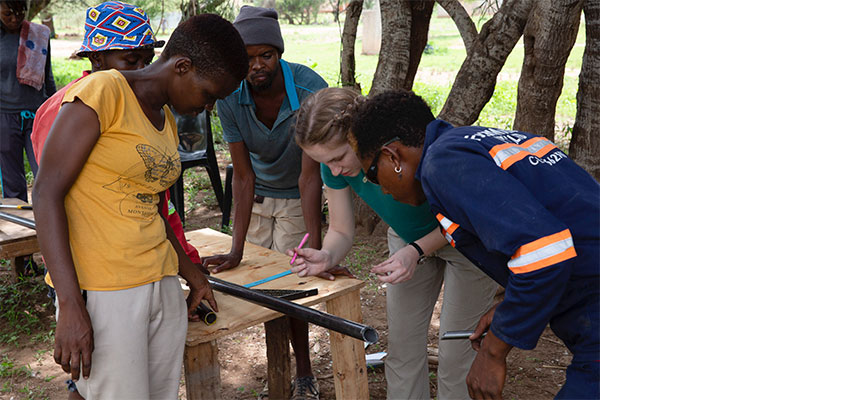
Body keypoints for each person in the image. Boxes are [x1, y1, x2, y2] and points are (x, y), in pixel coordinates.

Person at [32, 14, 247, 399]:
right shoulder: (102, 92)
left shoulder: (164, 115)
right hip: (107, 289)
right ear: (182, 67)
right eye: (209, 94)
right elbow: (46, 193)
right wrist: (69, 305)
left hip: (160, 280)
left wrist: (193, 275)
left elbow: (153, 206)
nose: (209, 107)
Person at [346, 90, 600, 399]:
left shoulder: (442, 164)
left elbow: (545, 250)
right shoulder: (474, 141)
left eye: (373, 176)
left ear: (392, 156)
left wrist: (493, 353)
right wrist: (509, 308)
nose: (382, 191)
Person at [290, 87, 501, 399]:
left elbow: (464, 218)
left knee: (457, 355)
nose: (334, 170)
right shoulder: (333, 164)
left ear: (360, 138)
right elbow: (341, 229)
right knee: (402, 348)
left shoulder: (416, 150)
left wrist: (416, 251)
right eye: (324, 162)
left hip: (466, 243)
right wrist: (326, 255)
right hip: (407, 241)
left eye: (337, 158)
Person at [200, 6, 329, 399]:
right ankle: (279, 374)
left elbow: (310, 178)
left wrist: (316, 247)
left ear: (279, 54)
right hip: (256, 196)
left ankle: (304, 374)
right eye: (248, 57)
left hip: (295, 198)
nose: (257, 66)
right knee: (262, 292)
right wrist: (234, 248)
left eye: (266, 55)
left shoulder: (309, 91)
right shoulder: (231, 94)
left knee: (294, 288)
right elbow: (242, 175)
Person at [31, 1, 201, 269]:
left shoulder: (146, 108)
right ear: (97, 59)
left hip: (141, 257)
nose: (143, 71)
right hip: (94, 263)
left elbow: (156, 200)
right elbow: (53, 195)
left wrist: (186, 261)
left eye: (148, 60)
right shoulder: (67, 111)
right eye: (132, 61)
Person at [1, 0, 55, 201]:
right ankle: (21, 228)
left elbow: (46, 74)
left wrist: (54, 107)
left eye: (20, 12)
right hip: (4, 116)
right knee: (11, 179)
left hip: (37, 115)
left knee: (45, 172)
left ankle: (47, 221)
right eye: (8, 13)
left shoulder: (40, 34)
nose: (15, 18)